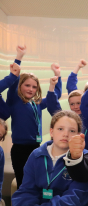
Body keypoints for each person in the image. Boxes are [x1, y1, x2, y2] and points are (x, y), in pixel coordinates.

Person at [1, 110, 88, 206]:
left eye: (72, 131)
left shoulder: (86, 159)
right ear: (51, 132)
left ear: (78, 136)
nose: (65, 134)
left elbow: (76, 198)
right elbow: (26, 190)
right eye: (60, 129)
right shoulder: (36, 155)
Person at [6, 46, 62, 188]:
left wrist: (57, 77)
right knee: (23, 182)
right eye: (27, 85)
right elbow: (13, 80)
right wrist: (19, 56)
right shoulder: (14, 100)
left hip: (36, 148)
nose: (31, 89)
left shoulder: (36, 103)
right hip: (20, 149)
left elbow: (54, 97)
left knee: (36, 182)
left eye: (34, 87)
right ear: (20, 86)